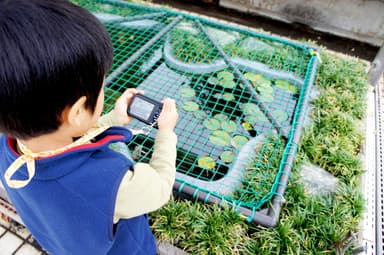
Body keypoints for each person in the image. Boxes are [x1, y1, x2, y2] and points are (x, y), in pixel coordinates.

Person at [0, 0, 178, 254]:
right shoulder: (112, 184)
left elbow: (65, 140)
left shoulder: (8, 146)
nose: (103, 91)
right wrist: (166, 133)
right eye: (101, 86)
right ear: (77, 112)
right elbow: (159, 187)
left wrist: (113, 120)